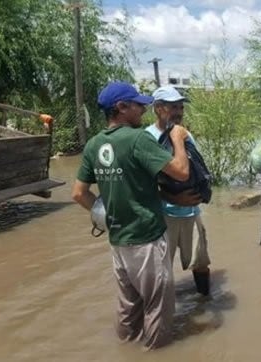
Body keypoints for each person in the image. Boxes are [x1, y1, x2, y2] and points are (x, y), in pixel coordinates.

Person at [71, 81, 191, 350]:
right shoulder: (138, 139)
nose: (143, 110)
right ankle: (155, 353)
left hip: (118, 240)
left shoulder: (93, 145)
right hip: (147, 239)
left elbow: (79, 193)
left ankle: (125, 350)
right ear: (121, 108)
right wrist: (178, 139)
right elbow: (181, 171)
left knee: (129, 308)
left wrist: (106, 212)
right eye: (137, 105)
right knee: (158, 307)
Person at [146, 85, 211, 296]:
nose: (179, 112)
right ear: (157, 108)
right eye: (173, 107)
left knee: (201, 263)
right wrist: (173, 197)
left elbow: (196, 169)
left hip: (192, 212)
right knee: (161, 270)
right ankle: (165, 319)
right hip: (164, 216)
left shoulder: (185, 134)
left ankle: (205, 301)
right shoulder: (147, 138)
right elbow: (141, 186)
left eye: (181, 107)